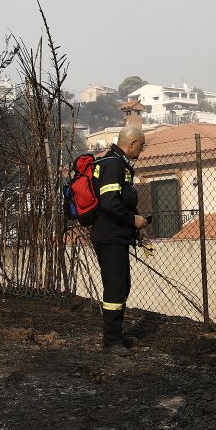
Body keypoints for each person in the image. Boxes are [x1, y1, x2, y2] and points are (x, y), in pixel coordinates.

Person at [91, 125, 148, 353]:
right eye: (141, 146)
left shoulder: (114, 162)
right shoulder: (114, 165)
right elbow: (110, 203)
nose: (142, 151)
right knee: (115, 288)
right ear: (131, 143)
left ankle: (116, 336)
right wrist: (132, 220)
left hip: (115, 235)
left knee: (121, 285)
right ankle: (111, 341)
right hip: (109, 237)